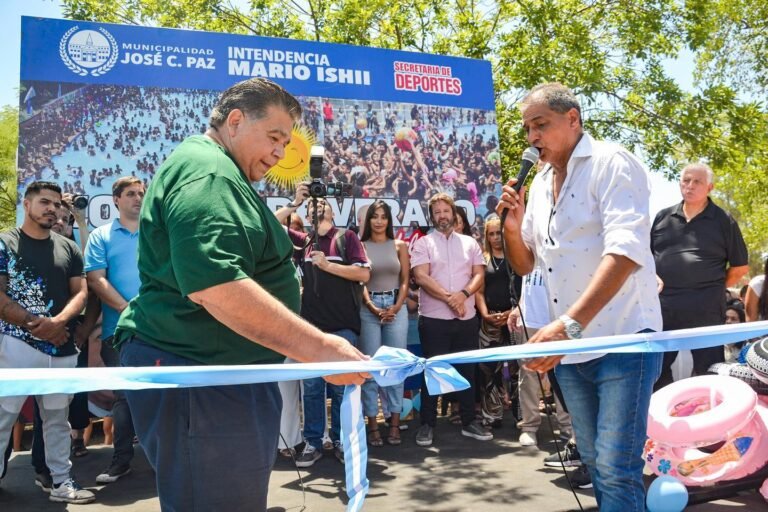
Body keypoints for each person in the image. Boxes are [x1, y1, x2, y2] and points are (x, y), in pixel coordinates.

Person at [113, 78, 367, 511]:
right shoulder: (209, 172)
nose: (280, 153)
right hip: (202, 376)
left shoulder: (218, 171)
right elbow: (218, 286)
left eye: (286, 143)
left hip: (218, 374)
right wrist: (320, 349)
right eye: (273, 137)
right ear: (235, 121)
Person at [498, 82, 663, 511]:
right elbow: (525, 264)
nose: (532, 137)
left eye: (541, 125)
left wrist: (568, 326)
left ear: (573, 120)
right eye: (527, 129)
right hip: (572, 351)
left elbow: (625, 253)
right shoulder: (538, 186)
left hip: (624, 339)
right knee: (593, 461)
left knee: (615, 466)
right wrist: (513, 231)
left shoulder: (612, 163)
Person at [0, 181, 94, 504]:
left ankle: (61, 483)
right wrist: (34, 325)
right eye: (44, 202)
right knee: (2, 420)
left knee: (57, 421)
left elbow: (81, 293)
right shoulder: (5, 243)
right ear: (26, 205)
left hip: (62, 348)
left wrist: (58, 323)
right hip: (15, 348)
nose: (52, 209)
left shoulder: (68, 247)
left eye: (56, 204)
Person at [287, 196, 370, 467]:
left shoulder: (346, 237)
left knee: (341, 388)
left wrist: (328, 265)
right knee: (311, 388)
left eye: (322, 203)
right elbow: (274, 224)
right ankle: (313, 441)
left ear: (333, 212)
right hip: (310, 328)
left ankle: (340, 440)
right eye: (311, 205)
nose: (316, 206)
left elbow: (363, 275)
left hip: (343, 326)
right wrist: (294, 201)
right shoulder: (304, 240)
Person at [651, 162, 749, 388]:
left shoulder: (724, 220)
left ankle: (712, 420)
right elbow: (646, 260)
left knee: (709, 374)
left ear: (710, 187)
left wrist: (712, 286)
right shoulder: (662, 218)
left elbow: (740, 267)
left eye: (697, 181)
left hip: (707, 310)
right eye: (686, 180)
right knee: (655, 373)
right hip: (664, 309)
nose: (690, 186)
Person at [411, 192, 491, 446]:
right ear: (432, 217)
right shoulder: (423, 244)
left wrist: (464, 295)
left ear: (454, 213)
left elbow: (479, 274)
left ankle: (469, 421)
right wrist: (450, 298)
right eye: (437, 212)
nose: (442, 216)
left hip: (467, 318)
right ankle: (427, 424)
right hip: (434, 319)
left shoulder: (470, 243)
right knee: (432, 372)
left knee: (468, 371)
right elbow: (421, 277)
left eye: (446, 211)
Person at [84, 176, 145, 484]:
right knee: (124, 396)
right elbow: (96, 280)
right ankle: (121, 460)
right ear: (116, 200)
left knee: (161, 394)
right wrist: (129, 310)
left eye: (141, 193)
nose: (137, 198)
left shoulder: (156, 233)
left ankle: (164, 458)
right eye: (131, 194)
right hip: (116, 332)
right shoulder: (101, 236)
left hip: (159, 331)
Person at [359, 200, 410, 446]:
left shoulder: (399, 245)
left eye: (383, 216)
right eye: (374, 216)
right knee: (370, 370)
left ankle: (395, 423)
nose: (379, 221)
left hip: (395, 308)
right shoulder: (360, 245)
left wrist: (397, 307)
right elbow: (359, 281)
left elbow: (405, 281)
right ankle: (372, 424)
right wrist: (373, 307)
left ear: (389, 221)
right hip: (368, 309)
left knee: (396, 367)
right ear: (368, 220)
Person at [473, 216, 517, 428]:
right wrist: (486, 315)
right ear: (487, 237)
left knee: (518, 367)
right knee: (489, 369)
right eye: (491, 234)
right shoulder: (483, 260)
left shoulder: (516, 257)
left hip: (516, 318)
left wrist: (512, 312)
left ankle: (521, 415)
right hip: (490, 319)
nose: (495, 237)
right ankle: (492, 415)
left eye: (499, 232)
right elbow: (479, 292)